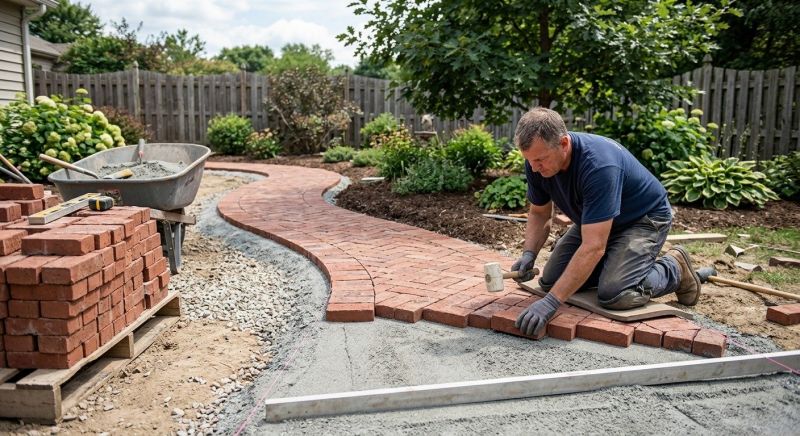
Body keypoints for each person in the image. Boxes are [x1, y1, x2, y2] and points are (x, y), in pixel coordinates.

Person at [510, 107, 701, 337]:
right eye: (530, 160)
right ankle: (616, 263)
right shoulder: (537, 162)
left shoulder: (599, 165)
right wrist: (529, 254)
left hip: (641, 220)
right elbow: (540, 213)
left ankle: (674, 267)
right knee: (552, 282)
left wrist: (551, 304)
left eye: (540, 159)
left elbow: (594, 247)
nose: (534, 167)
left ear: (563, 143)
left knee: (616, 294)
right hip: (596, 223)